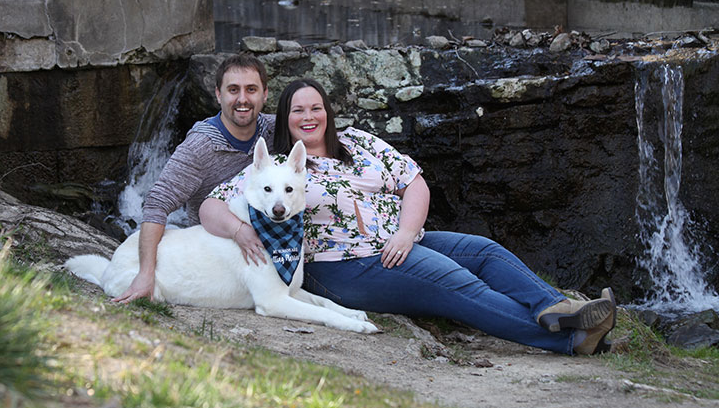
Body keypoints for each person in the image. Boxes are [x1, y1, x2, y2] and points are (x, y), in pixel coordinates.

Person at [199, 78, 617, 355]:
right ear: (285, 121)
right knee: (456, 283)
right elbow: (210, 206)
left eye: (316, 108)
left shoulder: (359, 142)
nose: (308, 117)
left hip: (399, 242)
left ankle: (557, 308)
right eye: (297, 111)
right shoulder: (276, 170)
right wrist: (240, 231)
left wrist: (406, 231)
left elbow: (414, 182)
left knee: (483, 251)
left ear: (328, 111)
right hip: (343, 266)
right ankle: (573, 340)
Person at [113, 54, 275, 303]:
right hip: (214, 254)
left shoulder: (274, 131)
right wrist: (146, 274)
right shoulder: (200, 146)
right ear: (218, 95)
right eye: (233, 90)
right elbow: (157, 203)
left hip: (270, 247)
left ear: (265, 94)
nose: (242, 99)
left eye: (251, 89)